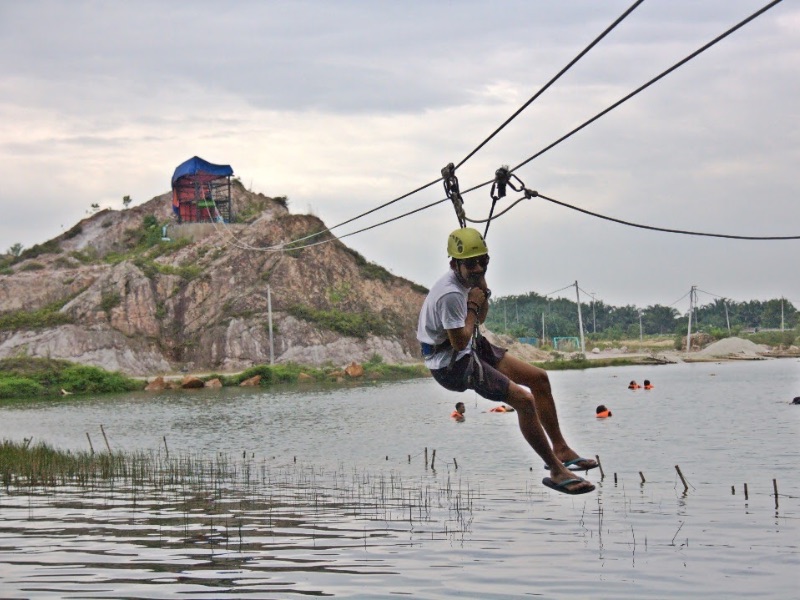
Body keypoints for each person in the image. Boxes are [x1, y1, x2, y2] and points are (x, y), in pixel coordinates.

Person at [417, 227, 596, 495]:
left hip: (468, 347)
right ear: (454, 264)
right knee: (524, 401)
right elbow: (459, 341)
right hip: (450, 364)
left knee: (540, 379)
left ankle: (561, 448)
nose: (479, 268)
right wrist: (473, 305)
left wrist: (482, 292)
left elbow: (481, 319)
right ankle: (556, 470)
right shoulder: (450, 295)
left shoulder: (471, 282)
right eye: (471, 264)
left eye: (484, 261)